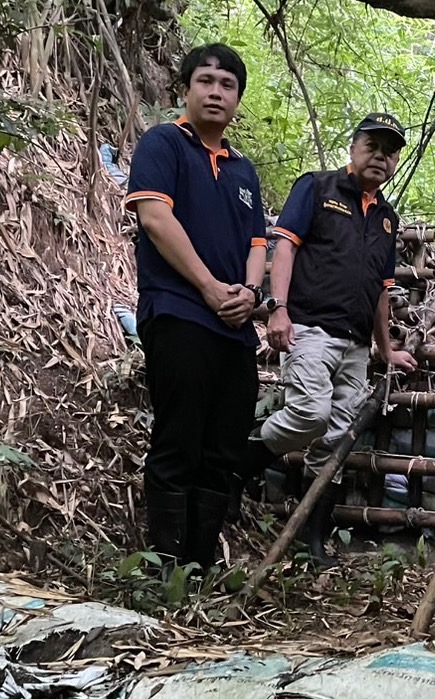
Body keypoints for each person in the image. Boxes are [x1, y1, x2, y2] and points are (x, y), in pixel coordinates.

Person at [239, 113, 418, 568]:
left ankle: (312, 539)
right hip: (312, 328)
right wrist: (277, 308)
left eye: (390, 150)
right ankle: (238, 465)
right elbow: (286, 247)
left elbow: (381, 290)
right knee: (309, 413)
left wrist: (386, 346)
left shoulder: (386, 219)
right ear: (353, 148)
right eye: (372, 146)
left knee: (336, 439)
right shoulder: (317, 188)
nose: (381, 156)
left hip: (356, 345)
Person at [124, 44, 266, 571]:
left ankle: (199, 572)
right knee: (178, 438)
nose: (215, 92)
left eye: (227, 85)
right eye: (206, 81)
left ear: (236, 99)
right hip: (179, 310)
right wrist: (209, 287)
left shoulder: (243, 171)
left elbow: (258, 243)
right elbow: (155, 218)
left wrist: (251, 295)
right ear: (185, 88)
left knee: (222, 448)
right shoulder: (164, 144)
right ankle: (166, 574)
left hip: (233, 328)